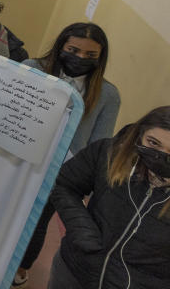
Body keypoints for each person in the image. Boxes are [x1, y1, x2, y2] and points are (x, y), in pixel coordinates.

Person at [13, 23, 121, 287]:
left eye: (90, 55)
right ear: (61, 46)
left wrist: (87, 183)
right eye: (73, 50)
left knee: (38, 219)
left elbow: (99, 142)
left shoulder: (107, 94)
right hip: (19, 152)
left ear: (100, 58)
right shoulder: (32, 68)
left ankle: (21, 268)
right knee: (8, 206)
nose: (80, 58)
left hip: (62, 169)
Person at [47, 106, 170, 289]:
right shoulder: (109, 153)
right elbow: (64, 184)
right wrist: (81, 228)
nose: (161, 156)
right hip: (73, 271)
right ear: (140, 134)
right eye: (153, 143)